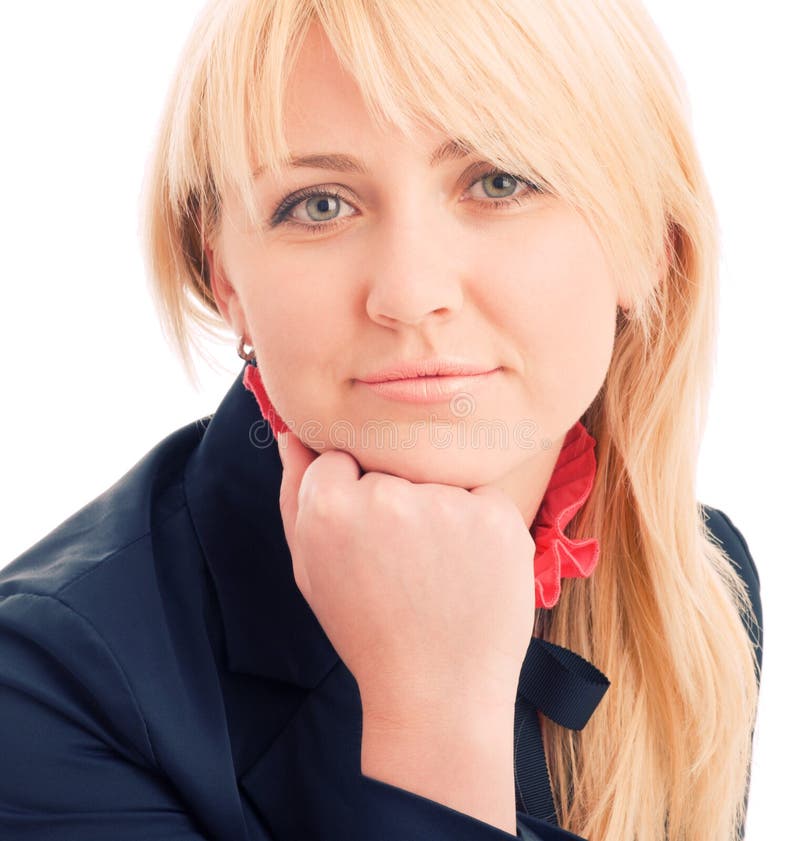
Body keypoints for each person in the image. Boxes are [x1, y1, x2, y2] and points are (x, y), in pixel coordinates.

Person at [0, 1, 763, 839]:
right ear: (228, 281)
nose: (409, 293)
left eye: (499, 181)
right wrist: (433, 719)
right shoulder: (40, 691)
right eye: (320, 205)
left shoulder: (697, 588)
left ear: (647, 238)